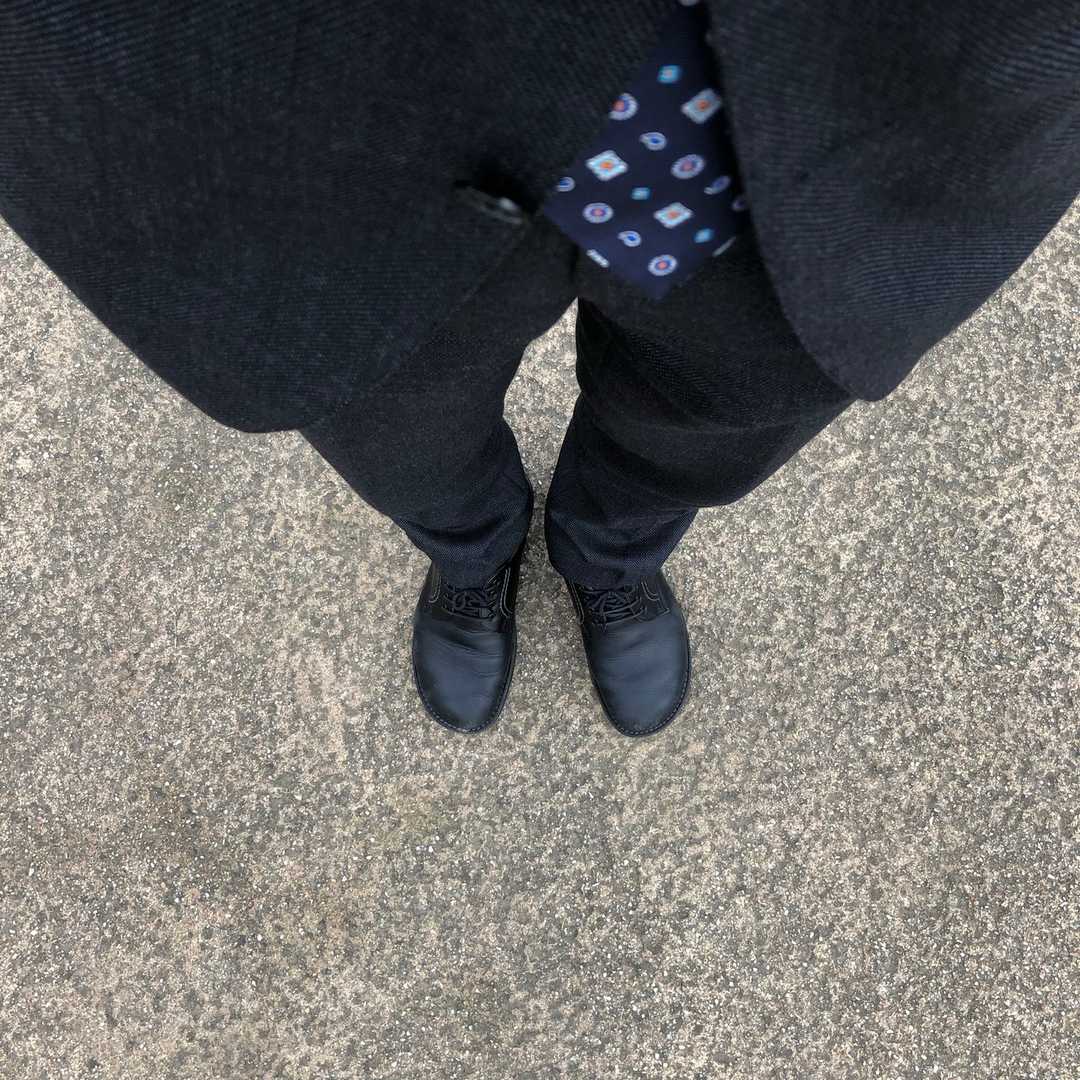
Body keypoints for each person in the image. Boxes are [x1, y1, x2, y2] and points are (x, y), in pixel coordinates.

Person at [2, 1, 1077, 737]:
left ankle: (610, 557)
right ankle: (471, 550)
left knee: (711, 416)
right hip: (325, 109)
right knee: (399, 429)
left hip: (823, 112)